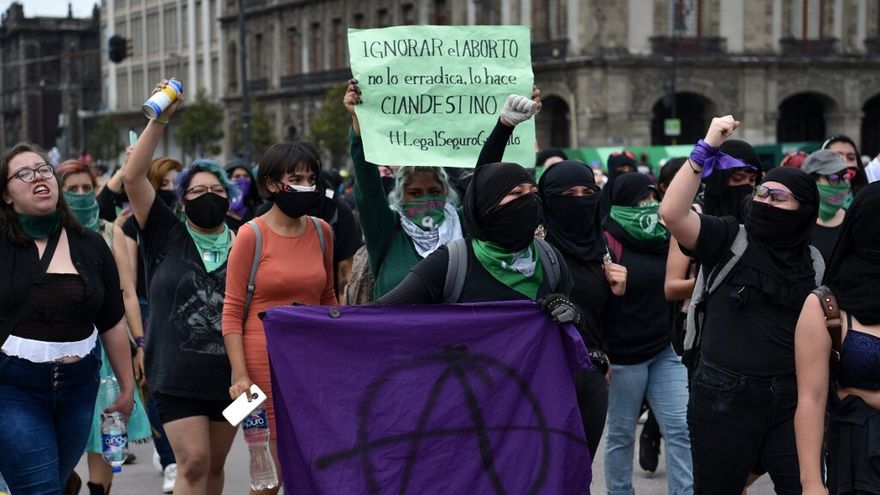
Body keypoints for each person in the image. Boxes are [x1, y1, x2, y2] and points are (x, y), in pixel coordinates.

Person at [661, 116, 821, 494]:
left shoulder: (814, 261)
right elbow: (672, 214)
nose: (763, 200)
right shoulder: (729, 236)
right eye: (762, 193)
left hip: (791, 399)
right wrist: (707, 146)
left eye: (778, 197)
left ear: (802, 210)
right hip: (722, 397)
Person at [0, 143, 134, 494]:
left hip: (79, 386)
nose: (38, 178)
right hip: (13, 387)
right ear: (6, 195)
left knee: (53, 483)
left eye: (43, 170)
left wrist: (127, 387)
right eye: (23, 174)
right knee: (41, 489)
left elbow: (111, 320)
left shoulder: (91, 244)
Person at [124, 81, 237, 494]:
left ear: (229, 199)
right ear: (182, 200)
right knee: (193, 463)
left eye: (217, 190)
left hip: (234, 378)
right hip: (174, 376)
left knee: (216, 467)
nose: (209, 196)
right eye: (198, 190)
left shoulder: (246, 237)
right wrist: (160, 120)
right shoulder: (164, 231)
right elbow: (133, 175)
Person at [223, 142, 337, 495]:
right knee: (271, 475)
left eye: (311, 178)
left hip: (313, 363)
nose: (306, 185)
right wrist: (241, 375)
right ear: (272, 184)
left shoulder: (322, 231)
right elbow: (232, 310)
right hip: (262, 365)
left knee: (315, 466)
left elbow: (328, 297)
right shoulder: (251, 234)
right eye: (296, 179)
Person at [56, 159, 153, 495]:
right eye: (72, 189)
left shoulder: (111, 232)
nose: (81, 194)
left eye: (88, 187)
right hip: (60, 345)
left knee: (106, 426)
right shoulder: (44, 231)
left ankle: (99, 489)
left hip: (108, 346)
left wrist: (139, 343)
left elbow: (127, 293)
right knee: (60, 431)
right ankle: (67, 480)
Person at [601, 172, 693, 495]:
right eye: (641, 200)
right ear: (620, 204)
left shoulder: (663, 237)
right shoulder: (606, 244)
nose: (650, 205)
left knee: (681, 427)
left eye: (653, 197)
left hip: (662, 350)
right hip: (623, 358)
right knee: (622, 434)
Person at [794, 182, 880, 495]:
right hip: (857, 467)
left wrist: (865, 394)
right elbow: (811, 399)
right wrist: (811, 484)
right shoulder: (825, 306)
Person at [344, 79, 464, 300]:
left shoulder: (463, 224)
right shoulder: (387, 230)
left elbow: (489, 183)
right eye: (415, 193)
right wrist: (359, 128)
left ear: (446, 194)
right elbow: (368, 190)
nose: (426, 199)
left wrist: (512, 123)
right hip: (394, 323)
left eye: (434, 192)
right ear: (400, 197)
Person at [114, 157, 182, 492]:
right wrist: (139, 340)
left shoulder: (189, 221)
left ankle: (178, 450)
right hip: (146, 309)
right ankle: (169, 459)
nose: (171, 190)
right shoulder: (131, 227)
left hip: (182, 309)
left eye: (176, 184)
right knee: (152, 385)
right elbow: (128, 286)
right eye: (164, 184)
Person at [801, 149, 857, 262]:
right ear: (812, 181)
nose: (843, 184)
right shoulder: (798, 224)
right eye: (834, 178)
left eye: (845, 176)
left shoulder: (854, 219)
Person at [225, 157, 263, 232]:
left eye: (246, 176)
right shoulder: (220, 210)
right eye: (237, 176)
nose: (242, 180)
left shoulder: (258, 211)